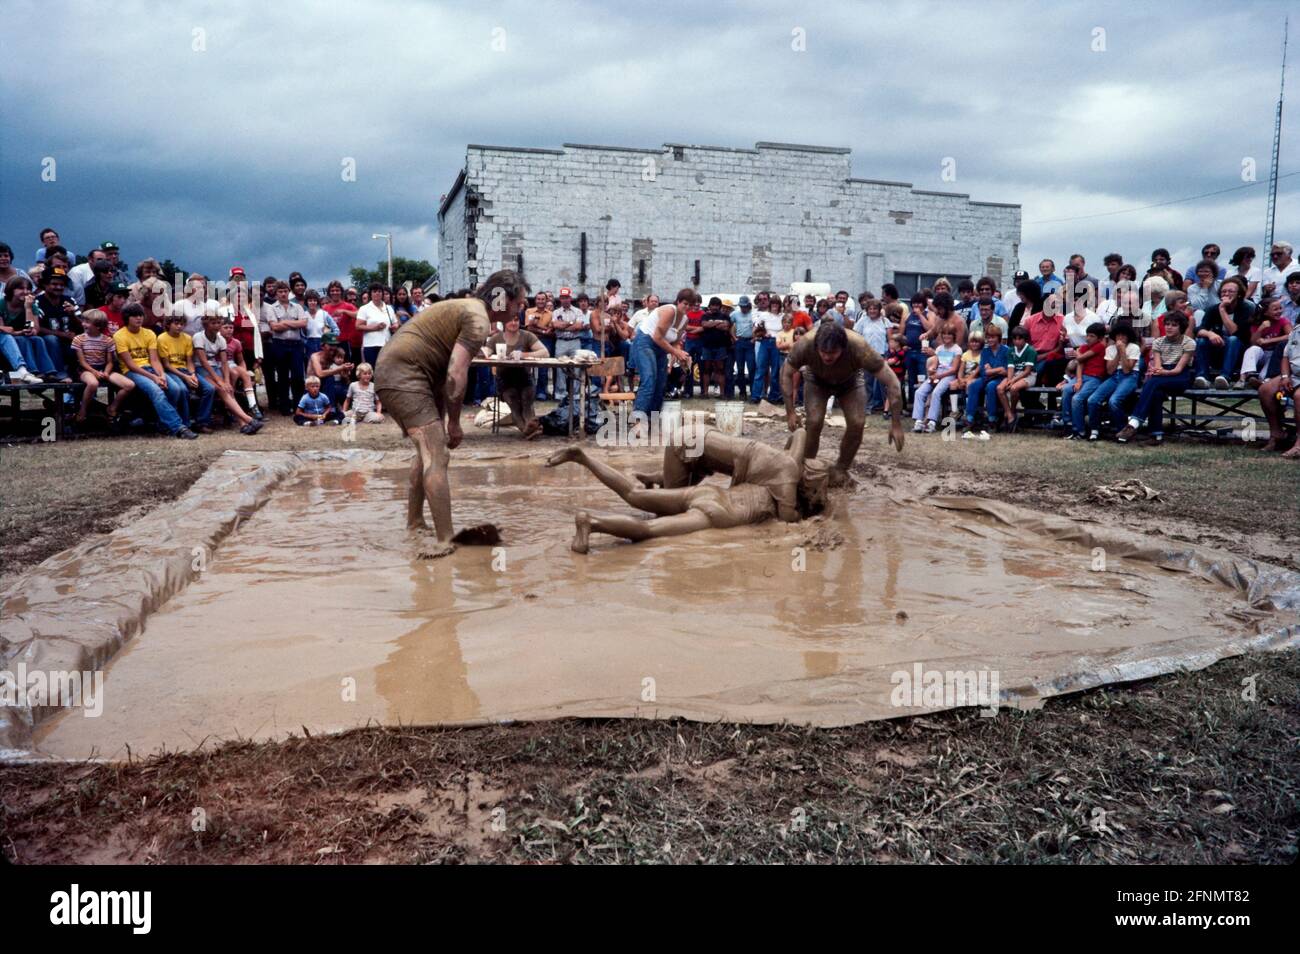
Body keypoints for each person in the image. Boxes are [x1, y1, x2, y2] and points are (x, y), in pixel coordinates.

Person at [375, 269, 525, 550]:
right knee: (437, 455)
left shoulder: (470, 309)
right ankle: (446, 541)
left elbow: (444, 373)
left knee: (427, 452)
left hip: (405, 373)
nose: (521, 308)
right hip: (404, 376)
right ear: (502, 301)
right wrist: (455, 423)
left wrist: (446, 420)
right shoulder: (478, 320)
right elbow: (456, 374)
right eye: (519, 303)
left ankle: (415, 522)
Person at [546, 426, 829, 553]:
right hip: (719, 512)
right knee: (648, 531)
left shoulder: (777, 470)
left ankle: (582, 457)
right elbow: (788, 523)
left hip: (708, 493)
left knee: (634, 494)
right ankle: (592, 523)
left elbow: (800, 434)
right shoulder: (785, 489)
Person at [781, 320, 904, 485]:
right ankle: (807, 466)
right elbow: (786, 373)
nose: (827, 356)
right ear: (816, 346)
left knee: (857, 422)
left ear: (843, 347)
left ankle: (841, 469)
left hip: (851, 381)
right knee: (814, 421)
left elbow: (893, 383)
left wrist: (896, 424)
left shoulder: (860, 348)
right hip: (816, 380)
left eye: (833, 352)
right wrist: (790, 412)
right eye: (823, 351)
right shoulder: (805, 344)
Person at [113, 302, 197, 439]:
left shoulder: (149, 333)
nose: (139, 318)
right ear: (127, 318)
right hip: (133, 371)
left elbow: (155, 360)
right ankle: (179, 427)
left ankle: (162, 424)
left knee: (175, 389)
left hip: (151, 368)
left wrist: (162, 375)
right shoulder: (119, 336)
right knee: (157, 391)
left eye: (140, 315)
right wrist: (154, 378)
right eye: (134, 316)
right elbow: (130, 364)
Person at [1116, 310, 1195, 445]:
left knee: (1153, 383)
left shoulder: (1189, 342)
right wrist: (1160, 371)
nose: (1169, 327)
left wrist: (1162, 372)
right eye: (1167, 324)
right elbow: (1158, 366)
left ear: (1181, 327)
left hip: (1180, 376)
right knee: (1156, 392)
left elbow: (1179, 369)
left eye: (1174, 325)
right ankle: (1156, 435)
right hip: (1162, 376)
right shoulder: (1158, 342)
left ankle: (1134, 423)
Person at [630, 288, 696, 417]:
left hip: (661, 347)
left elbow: (675, 342)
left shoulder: (685, 320)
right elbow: (657, 337)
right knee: (649, 380)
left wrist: (682, 354)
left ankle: (652, 420)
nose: (687, 307)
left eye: (690, 305)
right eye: (685, 303)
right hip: (645, 342)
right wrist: (676, 353)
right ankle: (638, 420)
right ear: (678, 302)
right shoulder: (669, 311)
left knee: (660, 384)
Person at [481, 312, 548, 439]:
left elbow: (545, 352)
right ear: (504, 323)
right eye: (510, 320)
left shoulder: (527, 336)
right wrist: (483, 351)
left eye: (516, 320)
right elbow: (486, 353)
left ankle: (529, 427)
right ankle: (527, 430)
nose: (513, 323)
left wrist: (524, 355)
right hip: (505, 379)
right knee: (514, 403)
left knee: (527, 400)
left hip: (524, 377)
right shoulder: (496, 338)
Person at [193, 313, 263, 434]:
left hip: (215, 367)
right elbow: (204, 362)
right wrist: (220, 381)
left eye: (218, 323)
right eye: (213, 323)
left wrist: (226, 381)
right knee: (220, 389)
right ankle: (249, 420)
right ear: (205, 325)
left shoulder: (221, 340)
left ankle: (243, 424)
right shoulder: (198, 337)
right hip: (200, 368)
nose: (216, 326)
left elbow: (224, 362)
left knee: (229, 390)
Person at [71, 310, 134, 425]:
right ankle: (83, 410)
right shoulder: (79, 339)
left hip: (104, 368)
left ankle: (112, 408)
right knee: (93, 383)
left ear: (98, 326)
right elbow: (82, 362)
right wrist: (94, 372)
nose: (83, 324)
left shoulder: (107, 340)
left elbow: (110, 361)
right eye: (83, 321)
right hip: (86, 369)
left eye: (87, 322)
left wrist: (106, 372)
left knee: (129, 385)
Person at [157, 313, 216, 432]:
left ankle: (202, 422)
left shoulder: (187, 338)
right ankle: (185, 423)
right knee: (182, 390)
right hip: (172, 371)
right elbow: (166, 365)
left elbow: (189, 361)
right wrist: (185, 377)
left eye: (182, 324)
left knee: (209, 389)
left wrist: (192, 374)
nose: (179, 326)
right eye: (176, 324)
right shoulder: (162, 338)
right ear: (168, 325)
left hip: (185, 369)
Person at [1085, 323, 1141, 441]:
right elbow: (1110, 371)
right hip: (1114, 376)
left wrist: (1123, 351)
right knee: (1093, 400)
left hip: (1130, 376)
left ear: (1128, 337)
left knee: (1114, 401)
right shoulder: (1110, 349)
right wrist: (1118, 352)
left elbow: (1126, 370)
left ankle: (1123, 431)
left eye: (1123, 336)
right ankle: (1094, 429)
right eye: (1118, 335)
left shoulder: (1134, 347)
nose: (1120, 338)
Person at [1193, 278, 1252, 388]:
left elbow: (1235, 332)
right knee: (1201, 340)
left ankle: (1225, 377)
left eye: (1230, 291)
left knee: (1233, 339)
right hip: (1218, 350)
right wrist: (1210, 334)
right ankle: (1202, 377)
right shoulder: (1212, 309)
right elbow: (1199, 329)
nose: (1226, 294)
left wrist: (1222, 310)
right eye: (1224, 291)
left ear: (1239, 294)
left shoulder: (1246, 309)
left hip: (1238, 353)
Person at [1, 276, 61, 382]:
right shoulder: (2, 304)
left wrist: (28, 308)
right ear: (11, 289)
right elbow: (3, 331)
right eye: (21, 289)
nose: (25, 292)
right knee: (22, 340)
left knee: (38, 339)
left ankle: (49, 372)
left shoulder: (31, 305)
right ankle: (33, 371)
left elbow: (33, 329)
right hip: (10, 339)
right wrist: (19, 332)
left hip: (23, 335)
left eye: (28, 289)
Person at [261, 279, 308, 414]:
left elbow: (303, 323)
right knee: (282, 376)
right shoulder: (271, 308)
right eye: (280, 291)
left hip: (296, 345)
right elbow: (274, 327)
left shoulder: (298, 307)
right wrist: (293, 322)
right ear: (276, 293)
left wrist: (284, 322)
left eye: (285, 291)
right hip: (279, 344)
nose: (283, 294)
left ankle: (299, 405)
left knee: (298, 376)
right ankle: (284, 406)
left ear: (289, 292)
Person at [1257, 321, 1300, 457]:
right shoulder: (1297, 330)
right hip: (1294, 374)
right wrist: (1285, 376)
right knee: (1266, 390)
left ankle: (1299, 444)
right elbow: (1286, 356)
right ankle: (1277, 434)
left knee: (1299, 397)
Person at [1064, 322, 1109, 440]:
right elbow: (1080, 364)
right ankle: (1068, 424)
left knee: (1077, 398)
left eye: (1092, 336)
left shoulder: (1100, 346)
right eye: (1087, 335)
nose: (1088, 338)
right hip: (1083, 377)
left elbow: (1080, 358)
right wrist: (1078, 380)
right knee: (1067, 389)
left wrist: (1078, 352)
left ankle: (1080, 431)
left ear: (1099, 338)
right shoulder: (1084, 347)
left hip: (1095, 378)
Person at [962, 325, 1009, 438]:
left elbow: (1006, 370)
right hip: (986, 377)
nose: (990, 340)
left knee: (991, 386)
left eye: (993, 337)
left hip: (1000, 380)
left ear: (999, 337)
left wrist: (993, 370)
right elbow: (984, 371)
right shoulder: (985, 351)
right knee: (973, 386)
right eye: (988, 337)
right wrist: (997, 369)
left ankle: (992, 420)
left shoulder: (1006, 350)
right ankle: (969, 419)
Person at [911, 327, 961, 433]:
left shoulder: (957, 349)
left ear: (953, 336)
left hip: (948, 375)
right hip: (938, 373)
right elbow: (935, 363)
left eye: (949, 334)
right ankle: (918, 421)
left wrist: (938, 377)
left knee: (936, 393)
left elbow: (954, 369)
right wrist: (932, 370)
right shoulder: (939, 349)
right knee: (919, 392)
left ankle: (932, 422)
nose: (947, 336)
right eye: (944, 334)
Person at [998, 325, 1039, 432]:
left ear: (1025, 339)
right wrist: (1009, 379)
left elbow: (1027, 371)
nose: (1017, 341)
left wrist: (1013, 381)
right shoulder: (1011, 350)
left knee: (1013, 388)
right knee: (1000, 388)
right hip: (1015, 374)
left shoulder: (1031, 350)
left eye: (1020, 338)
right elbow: (1010, 368)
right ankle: (1009, 414)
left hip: (1029, 375)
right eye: (1015, 338)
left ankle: (1012, 411)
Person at [219, 317, 260, 416]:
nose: (229, 330)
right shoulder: (218, 340)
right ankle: (230, 405)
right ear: (219, 329)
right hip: (219, 364)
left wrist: (244, 370)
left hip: (232, 363)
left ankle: (253, 406)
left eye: (231, 327)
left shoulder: (236, 342)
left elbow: (241, 361)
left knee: (245, 374)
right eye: (226, 327)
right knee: (233, 373)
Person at [307, 334, 354, 409]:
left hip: (328, 387)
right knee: (330, 378)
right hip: (313, 385)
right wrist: (340, 368)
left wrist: (347, 368)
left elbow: (343, 374)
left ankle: (337, 408)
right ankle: (331, 408)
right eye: (330, 344)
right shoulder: (315, 356)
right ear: (323, 346)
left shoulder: (333, 357)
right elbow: (320, 373)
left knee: (344, 388)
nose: (333, 347)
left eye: (335, 345)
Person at [357, 281, 397, 368]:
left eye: (379, 291)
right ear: (370, 294)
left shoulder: (389, 308)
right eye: (374, 291)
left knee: (386, 370)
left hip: (386, 345)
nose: (377, 293)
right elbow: (358, 326)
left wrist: (395, 326)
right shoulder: (364, 308)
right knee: (373, 371)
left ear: (382, 293)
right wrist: (374, 328)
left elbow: (395, 323)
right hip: (371, 345)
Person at [727, 296, 757, 399]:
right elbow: (729, 324)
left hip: (750, 342)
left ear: (749, 306)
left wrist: (754, 338)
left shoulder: (753, 315)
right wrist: (733, 337)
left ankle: (754, 391)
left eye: (745, 306)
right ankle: (742, 392)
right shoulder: (735, 314)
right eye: (742, 307)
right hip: (739, 342)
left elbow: (757, 326)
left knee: (751, 367)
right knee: (740, 369)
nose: (743, 309)